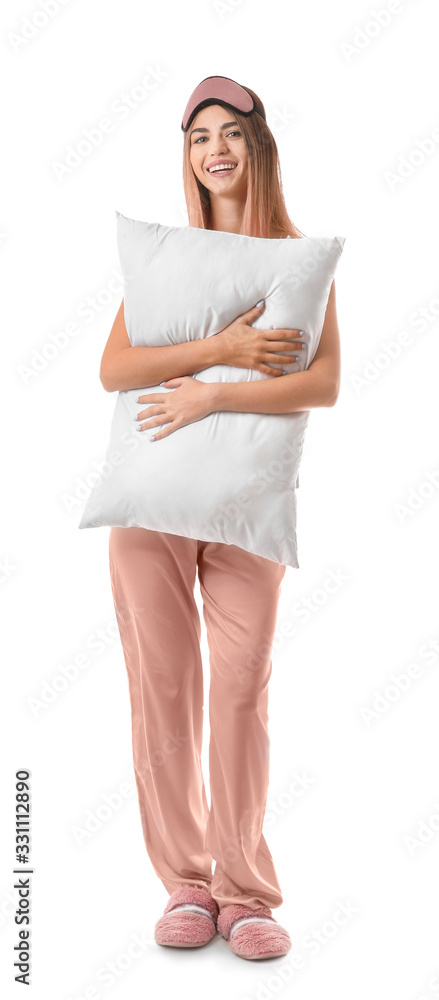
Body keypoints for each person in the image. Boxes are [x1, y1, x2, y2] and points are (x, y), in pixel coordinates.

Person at [100, 75, 341, 961]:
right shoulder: (167, 257)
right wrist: (224, 355)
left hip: (245, 505)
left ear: (257, 147)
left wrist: (210, 403)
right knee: (161, 692)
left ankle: (245, 891)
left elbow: (324, 382)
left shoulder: (293, 257)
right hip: (152, 504)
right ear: (189, 157)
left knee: (240, 692)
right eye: (200, 135)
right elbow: (115, 370)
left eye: (230, 132)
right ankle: (186, 885)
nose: (215, 148)